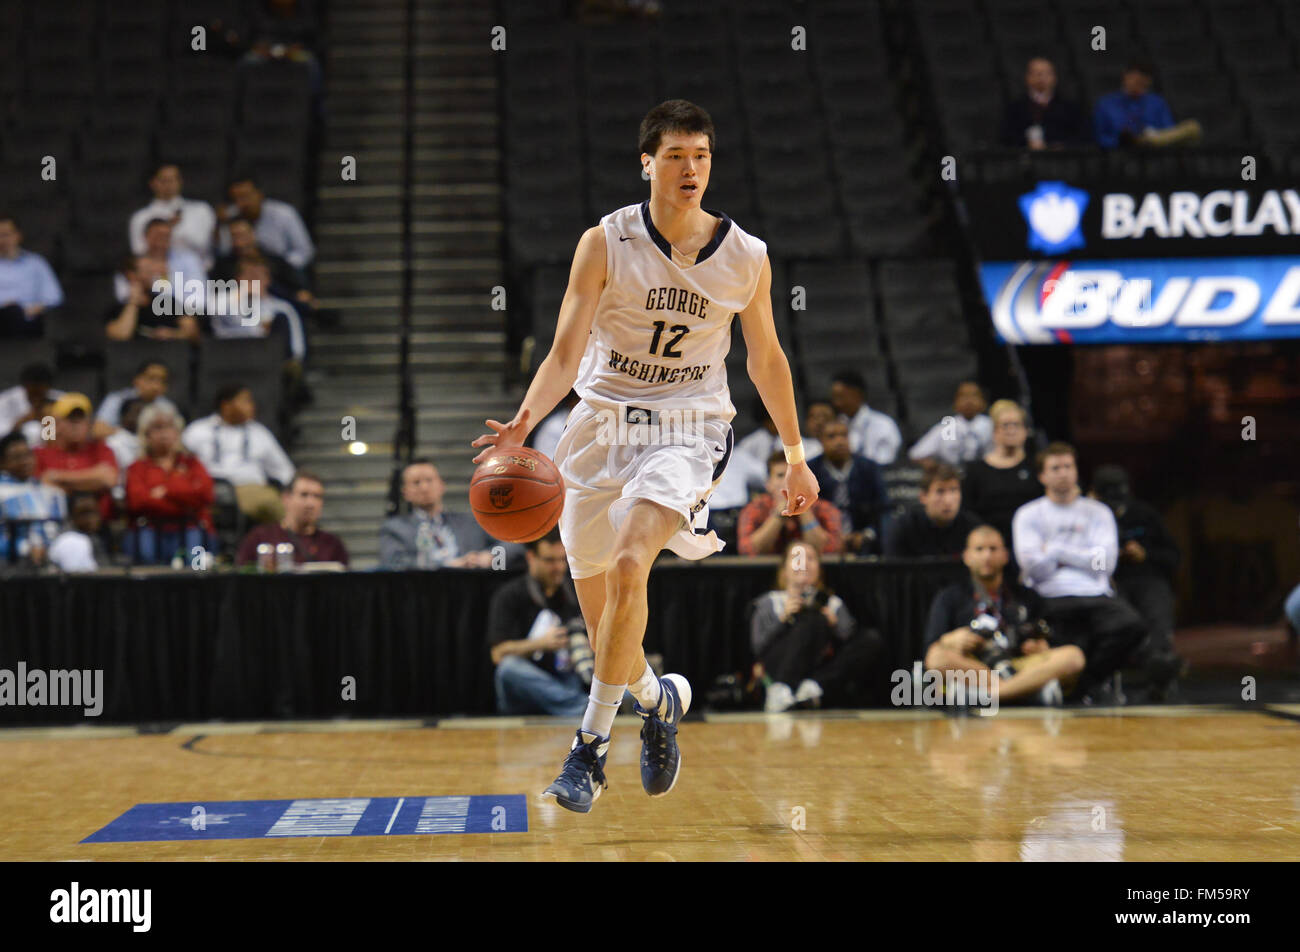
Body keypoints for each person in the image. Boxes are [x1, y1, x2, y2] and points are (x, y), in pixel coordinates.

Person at [470, 100, 820, 813]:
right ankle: (657, 700)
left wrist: (795, 453)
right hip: (598, 427)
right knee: (606, 631)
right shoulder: (604, 242)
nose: (690, 169)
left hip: (688, 427)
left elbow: (767, 357)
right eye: (675, 156)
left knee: (634, 562)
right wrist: (525, 421)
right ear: (647, 163)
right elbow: (566, 350)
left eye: (701, 156)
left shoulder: (746, 255)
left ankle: (588, 753)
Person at [1012, 443, 1146, 703]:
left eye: (1068, 466)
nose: (1063, 473)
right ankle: (1077, 687)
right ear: (1042, 476)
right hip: (1048, 595)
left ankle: (1082, 686)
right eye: (1055, 468)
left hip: (1094, 593)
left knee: (1133, 627)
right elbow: (1034, 569)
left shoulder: (1099, 512)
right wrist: (1083, 555)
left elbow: (1104, 564)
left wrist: (1054, 550)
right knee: (1067, 640)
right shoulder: (1028, 514)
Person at [924, 525, 1085, 706]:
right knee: (936, 657)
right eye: (979, 549)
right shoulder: (950, 596)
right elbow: (931, 647)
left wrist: (1041, 645)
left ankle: (994, 695)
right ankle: (1025, 692)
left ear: (1005, 555)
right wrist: (951, 639)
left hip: (1019, 665)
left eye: (993, 549)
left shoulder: (1026, 595)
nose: (987, 556)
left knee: (1073, 656)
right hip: (978, 667)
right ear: (967, 557)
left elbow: (1051, 634)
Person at [750, 540, 884, 712]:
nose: (803, 563)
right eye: (796, 557)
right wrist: (783, 621)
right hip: (780, 665)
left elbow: (851, 644)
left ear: (819, 570)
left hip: (819, 668)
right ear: (783, 570)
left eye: (811, 558)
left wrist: (834, 625)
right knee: (812, 620)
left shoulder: (833, 603)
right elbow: (759, 646)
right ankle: (781, 688)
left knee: (871, 639)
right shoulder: (768, 602)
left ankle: (813, 687)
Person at [1091, 465, 1186, 700]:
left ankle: (1160, 669)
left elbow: (1173, 557)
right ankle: (1107, 675)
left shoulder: (1145, 514)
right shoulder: (1090, 516)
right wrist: (1113, 556)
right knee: (1119, 617)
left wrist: (1146, 555)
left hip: (1146, 578)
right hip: (1109, 580)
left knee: (1156, 605)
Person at [488, 529, 594, 717]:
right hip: (527, 686)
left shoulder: (573, 592)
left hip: (566, 676)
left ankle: (584, 706)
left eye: (562, 560)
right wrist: (541, 644)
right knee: (509, 669)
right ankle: (583, 708)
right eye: (550, 561)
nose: (558, 567)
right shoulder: (509, 595)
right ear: (531, 557)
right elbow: (498, 654)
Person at [182, 384, 295, 523]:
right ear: (226, 405)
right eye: (245, 401)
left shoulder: (259, 432)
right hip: (208, 488)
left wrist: (287, 491)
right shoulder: (197, 430)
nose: (252, 406)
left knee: (279, 505)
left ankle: (292, 541)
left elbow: (284, 470)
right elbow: (179, 462)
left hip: (250, 489)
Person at [125, 404, 216, 565]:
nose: (164, 434)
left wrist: (166, 491)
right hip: (150, 528)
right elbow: (137, 502)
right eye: (157, 428)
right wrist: (184, 498)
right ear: (146, 435)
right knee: (145, 552)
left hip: (190, 526)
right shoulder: (138, 467)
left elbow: (206, 495)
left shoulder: (192, 464)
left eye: (169, 427)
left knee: (197, 562)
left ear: (178, 433)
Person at [378, 458, 507, 569]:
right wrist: (448, 565)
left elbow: (512, 544)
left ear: (441, 485)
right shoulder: (395, 529)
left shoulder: (470, 521)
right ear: (405, 492)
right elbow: (394, 563)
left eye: (429, 480)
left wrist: (491, 557)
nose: (424, 488)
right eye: (416, 483)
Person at [961, 399, 1040, 551]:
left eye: (1016, 425)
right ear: (994, 432)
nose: (1011, 430)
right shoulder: (976, 471)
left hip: (1032, 542)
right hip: (989, 546)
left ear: (1025, 431)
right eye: (1005, 425)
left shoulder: (1037, 466)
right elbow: (967, 512)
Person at [806, 418, 888, 554]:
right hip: (822, 542)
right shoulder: (810, 470)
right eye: (831, 436)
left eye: (844, 435)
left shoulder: (868, 468)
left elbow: (883, 508)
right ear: (820, 441)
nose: (839, 442)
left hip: (863, 540)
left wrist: (867, 533)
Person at [235, 470, 349, 566]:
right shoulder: (260, 538)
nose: (311, 503)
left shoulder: (332, 544)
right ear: (286, 498)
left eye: (317, 497)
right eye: (304, 495)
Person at [32, 394, 118, 521]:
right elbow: (43, 485)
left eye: (81, 419)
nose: (76, 425)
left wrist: (58, 477)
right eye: (70, 419)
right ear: (56, 423)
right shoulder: (41, 453)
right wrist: (92, 481)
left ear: (88, 423)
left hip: (98, 524)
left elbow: (108, 479)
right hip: (55, 522)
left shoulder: (101, 449)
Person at [737, 451, 842, 556]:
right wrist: (779, 514)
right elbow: (747, 550)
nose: (788, 481)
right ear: (768, 484)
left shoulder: (824, 508)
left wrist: (803, 509)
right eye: (781, 475)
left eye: (794, 474)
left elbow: (832, 549)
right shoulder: (755, 509)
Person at [217, 172, 315, 273]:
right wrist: (220, 226)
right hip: (243, 274)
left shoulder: (284, 214)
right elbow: (224, 252)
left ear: (260, 194)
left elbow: (304, 252)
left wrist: (280, 269)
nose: (242, 203)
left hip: (281, 272)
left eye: (245, 196)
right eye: (236, 199)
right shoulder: (230, 217)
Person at [1094, 60, 1200, 150]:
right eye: (1136, 80)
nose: (1139, 85)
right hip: (1121, 154)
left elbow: (1169, 130)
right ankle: (1141, 141)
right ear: (1125, 76)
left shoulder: (1157, 103)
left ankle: (1145, 141)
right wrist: (1120, 142)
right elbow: (1100, 138)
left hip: (1156, 151)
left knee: (1192, 127)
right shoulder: (1106, 104)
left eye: (1143, 82)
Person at [128, 162, 218, 268]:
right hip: (159, 274)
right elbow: (138, 250)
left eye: (173, 179)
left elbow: (206, 246)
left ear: (180, 181)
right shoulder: (141, 217)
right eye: (164, 180)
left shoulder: (201, 210)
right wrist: (167, 230)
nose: (169, 184)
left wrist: (176, 231)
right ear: (152, 183)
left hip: (199, 273)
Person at [882, 463, 981, 557]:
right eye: (940, 491)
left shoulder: (973, 529)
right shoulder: (904, 529)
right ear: (923, 496)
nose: (948, 500)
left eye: (953, 490)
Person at [0, 430, 66, 567]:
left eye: (28, 455)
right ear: (3, 463)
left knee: (75, 542)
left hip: (51, 554)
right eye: (17, 457)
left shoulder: (52, 493)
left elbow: (60, 529)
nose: (26, 461)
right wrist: (25, 548)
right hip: (11, 560)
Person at [104, 255, 201, 342]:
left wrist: (173, 334)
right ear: (131, 275)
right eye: (146, 271)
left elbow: (192, 331)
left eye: (152, 271)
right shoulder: (118, 308)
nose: (152, 275)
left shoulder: (166, 303)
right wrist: (133, 302)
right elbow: (121, 334)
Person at [999, 56, 1089, 150]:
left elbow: (1083, 137)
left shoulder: (1070, 107)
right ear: (1027, 77)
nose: (1041, 78)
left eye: (1046, 73)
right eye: (1037, 73)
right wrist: (1027, 144)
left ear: (1054, 77)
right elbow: (1006, 138)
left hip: (1064, 160)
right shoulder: (1015, 108)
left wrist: (1061, 146)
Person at [0, 213, 63, 338]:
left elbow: (54, 296)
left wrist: (33, 309)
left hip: (26, 318)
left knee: (14, 313)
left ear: (18, 235)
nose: (3, 240)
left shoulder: (36, 263)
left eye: (6, 235)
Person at [908, 380, 993, 466]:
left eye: (974, 396)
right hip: (953, 473)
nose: (969, 401)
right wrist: (935, 466)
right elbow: (916, 454)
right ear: (955, 403)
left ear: (983, 403)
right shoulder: (946, 427)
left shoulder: (991, 426)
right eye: (963, 396)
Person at [830, 369, 900, 466]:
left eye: (840, 397)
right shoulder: (836, 424)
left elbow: (885, 462)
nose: (836, 403)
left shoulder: (883, 424)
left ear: (857, 394)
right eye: (834, 398)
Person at [96, 361, 181, 432]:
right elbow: (98, 430)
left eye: (162, 381)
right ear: (137, 380)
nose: (156, 386)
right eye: (151, 378)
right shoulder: (117, 399)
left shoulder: (167, 407)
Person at [47, 493, 106, 573]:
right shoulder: (70, 540)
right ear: (72, 516)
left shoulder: (93, 536)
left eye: (95, 512)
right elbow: (78, 578)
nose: (91, 518)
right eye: (85, 513)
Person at [0, 363, 61, 438]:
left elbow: (52, 437)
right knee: (32, 428)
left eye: (40, 393)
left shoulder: (60, 400)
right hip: (14, 446)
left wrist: (48, 419)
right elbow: (3, 436)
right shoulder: (5, 400)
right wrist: (25, 419)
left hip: (47, 445)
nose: (36, 398)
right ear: (24, 386)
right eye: (33, 393)